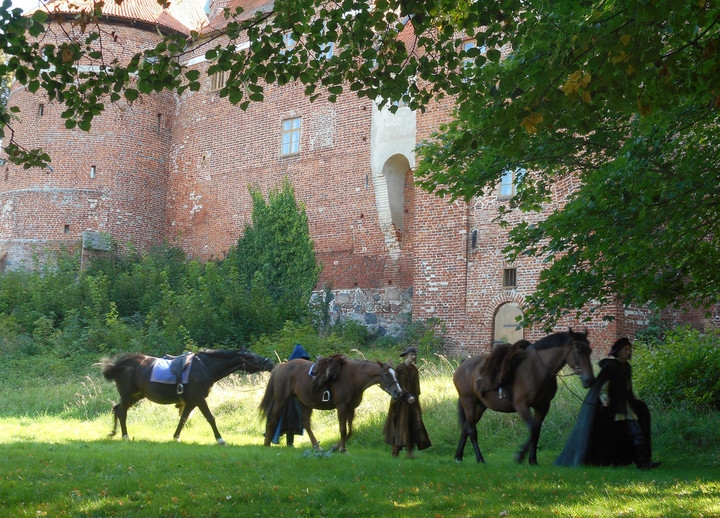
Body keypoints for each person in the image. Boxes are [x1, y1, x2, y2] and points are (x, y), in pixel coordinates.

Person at [555, 337, 661, 469]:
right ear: (618, 351)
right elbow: (603, 385)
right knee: (612, 435)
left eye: (629, 349)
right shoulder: (611, 366)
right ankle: (613, 461)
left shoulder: (627, 367)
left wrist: (633, 401)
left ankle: (643, 462)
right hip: (612, 408)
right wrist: (605, 398)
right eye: (625, 350)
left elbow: (627, 387)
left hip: (625, 406)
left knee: (636, 432)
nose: (628, 352)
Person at [383, 346, 431, 458]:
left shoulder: (414, 369)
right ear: (406, 356)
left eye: (414, 355)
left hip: (412, 403)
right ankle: (395, 452)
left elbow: (416, 387)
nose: (414, 357)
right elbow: (399, 386)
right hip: (401, 403)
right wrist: (406, 396)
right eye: (411, 355)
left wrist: (415, 398)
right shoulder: (400, 369)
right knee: (399, 426)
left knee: (413, 426)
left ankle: (410, 452)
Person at [271, 344, 310, 447]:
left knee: (293, 421)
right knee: (287, 420)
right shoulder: (287, 369)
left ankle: (290, 443)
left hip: (297, 400)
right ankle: (279, 440)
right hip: (287, 400)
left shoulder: (305, 370)